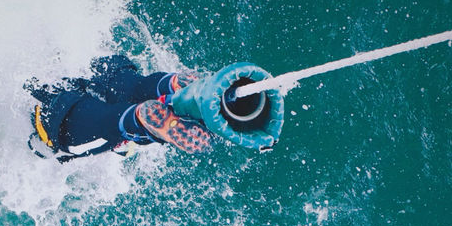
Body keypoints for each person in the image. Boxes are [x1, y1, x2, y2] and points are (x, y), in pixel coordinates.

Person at [27, 54, 284, 160]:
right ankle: (167, 91)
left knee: (108, 113)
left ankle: (175, 92)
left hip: (60, 94)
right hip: (62, 103)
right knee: (120, 102)